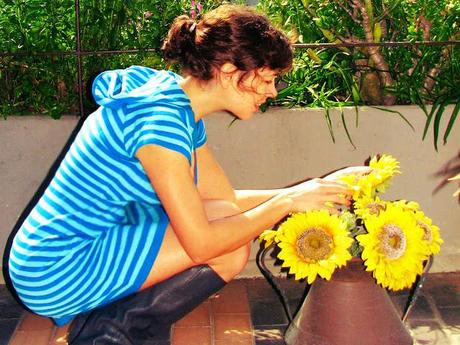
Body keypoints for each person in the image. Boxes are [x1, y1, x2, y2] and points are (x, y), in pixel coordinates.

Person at [6, 4, 369, 344]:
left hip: (85, 245)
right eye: (268, 78)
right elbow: (203, 244)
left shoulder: (176, 108)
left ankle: (117, 328)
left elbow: (222, 203)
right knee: (226, 249)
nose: (272, 91)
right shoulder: (160, 122)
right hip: (55, 266)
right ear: (229, 71)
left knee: (225, 223)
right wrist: (289, 200)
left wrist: (314, 190)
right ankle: (107, 333)